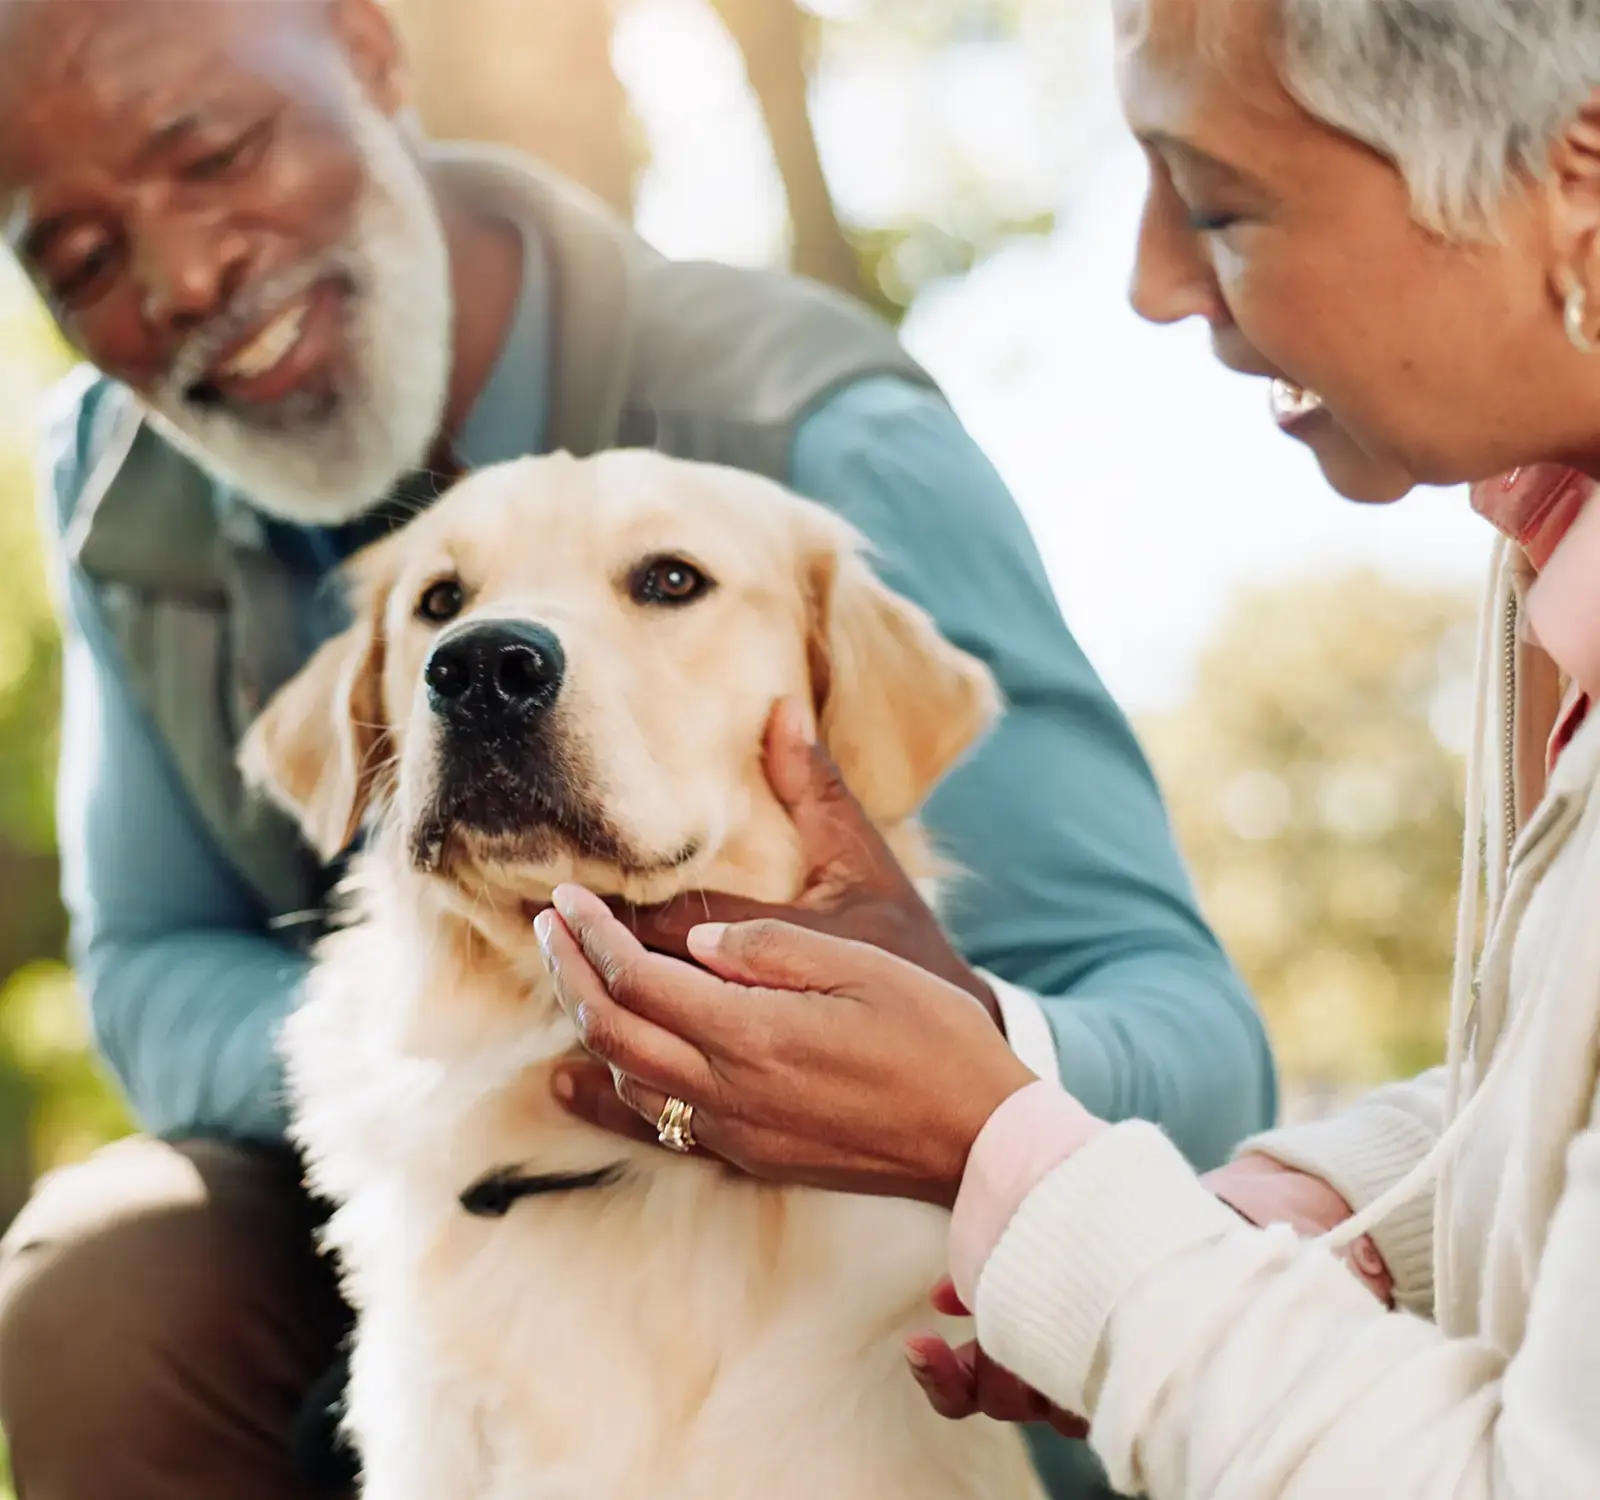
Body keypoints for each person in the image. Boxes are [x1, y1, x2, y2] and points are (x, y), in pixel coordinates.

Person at [0, 1, 1275, 1497]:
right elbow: (150, 960)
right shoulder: (119, 479)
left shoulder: (818, 433)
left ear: (367, 51)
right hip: (427, 1193)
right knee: (104, 1277)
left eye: (215, 150)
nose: (187, 273)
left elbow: (1195, 1040)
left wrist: (926, 1060)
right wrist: (459, 1074)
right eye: (81, 263)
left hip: (875, 1265)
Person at [535, 0, 1600, 1496]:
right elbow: (1545, 1124)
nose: (1154, 284)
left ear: (1578, 185)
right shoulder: (1550, 554)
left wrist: (1010, 1162)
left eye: (1219, 205)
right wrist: (1260, 1230)